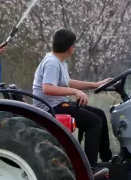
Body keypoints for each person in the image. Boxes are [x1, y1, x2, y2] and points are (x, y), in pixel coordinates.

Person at [32, 28, 113, 164]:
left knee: (100, 115)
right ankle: (90, 167)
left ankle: (107, 160)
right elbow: (47, 88)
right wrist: (75, 92)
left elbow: (67, 82)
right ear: (70, 48)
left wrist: (95, 84)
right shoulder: (52, 63)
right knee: (94, 122)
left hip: (58, 104)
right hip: (50, 108)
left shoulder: (59, 61)